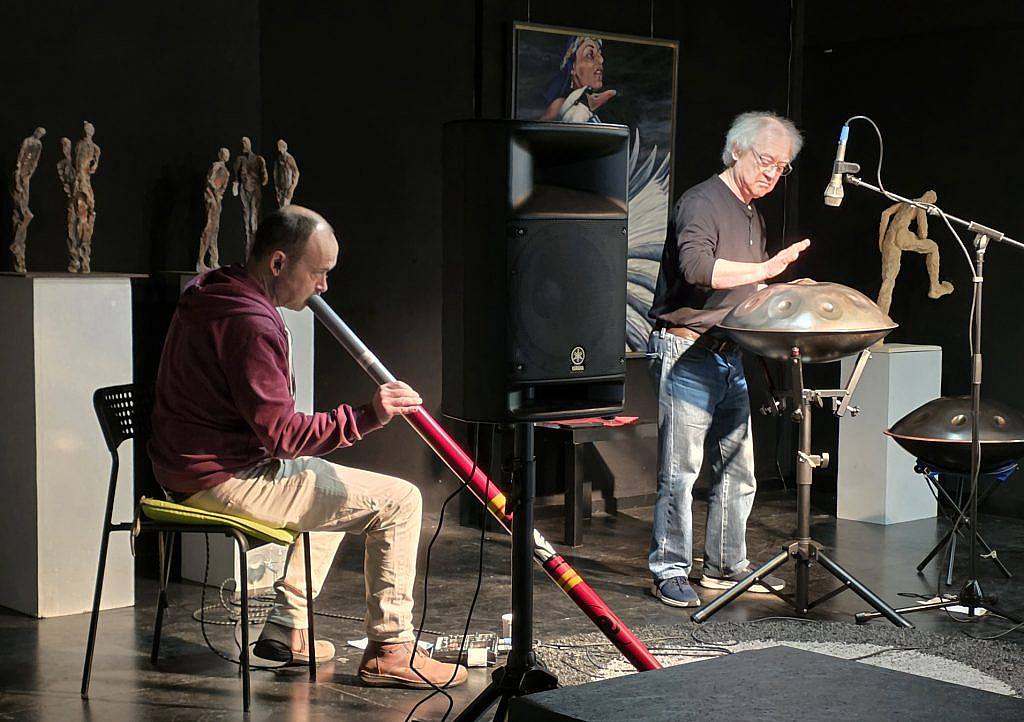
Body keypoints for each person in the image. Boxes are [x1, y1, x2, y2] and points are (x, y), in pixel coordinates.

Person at [149, 205, 468, 689]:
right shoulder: (250, 324)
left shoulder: (213, 288)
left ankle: (289, 629)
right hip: (221, 477)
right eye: (318, 272)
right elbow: (283, 437)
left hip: (185, 467)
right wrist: (370, 415)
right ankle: (391, 649)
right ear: (279, 263)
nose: (324, 286)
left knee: (335, 487)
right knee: (401, 501)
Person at [646, 111, 811, 608]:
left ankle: (724, 565)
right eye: (766, 161)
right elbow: (698, 269)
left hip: (727, 354)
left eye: (782, 167)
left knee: (738, 471)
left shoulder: (750, 212)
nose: (772, 174)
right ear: (737, 150)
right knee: (681, 472)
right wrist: (769, 268)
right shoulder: (701, 202)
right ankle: (669, 569)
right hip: (687, 351)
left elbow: (745, 288)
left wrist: (784, 291)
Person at [875, 189, 953, 317]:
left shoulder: (906, 202)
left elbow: (885, 214)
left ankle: (880, 317)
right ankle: (935, 286)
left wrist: (881, 239)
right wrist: (923, 216)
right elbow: (923, 234)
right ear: (930, 202)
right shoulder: (920, 205)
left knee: (888, 279)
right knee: (933, 247)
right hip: (902, 236)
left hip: (889, 238)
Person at [539, 35, 617, 123]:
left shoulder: (605, 107)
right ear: (572, 67)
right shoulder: (560, 105)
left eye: (599, 53)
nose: (601, 59)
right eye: (589, 55)